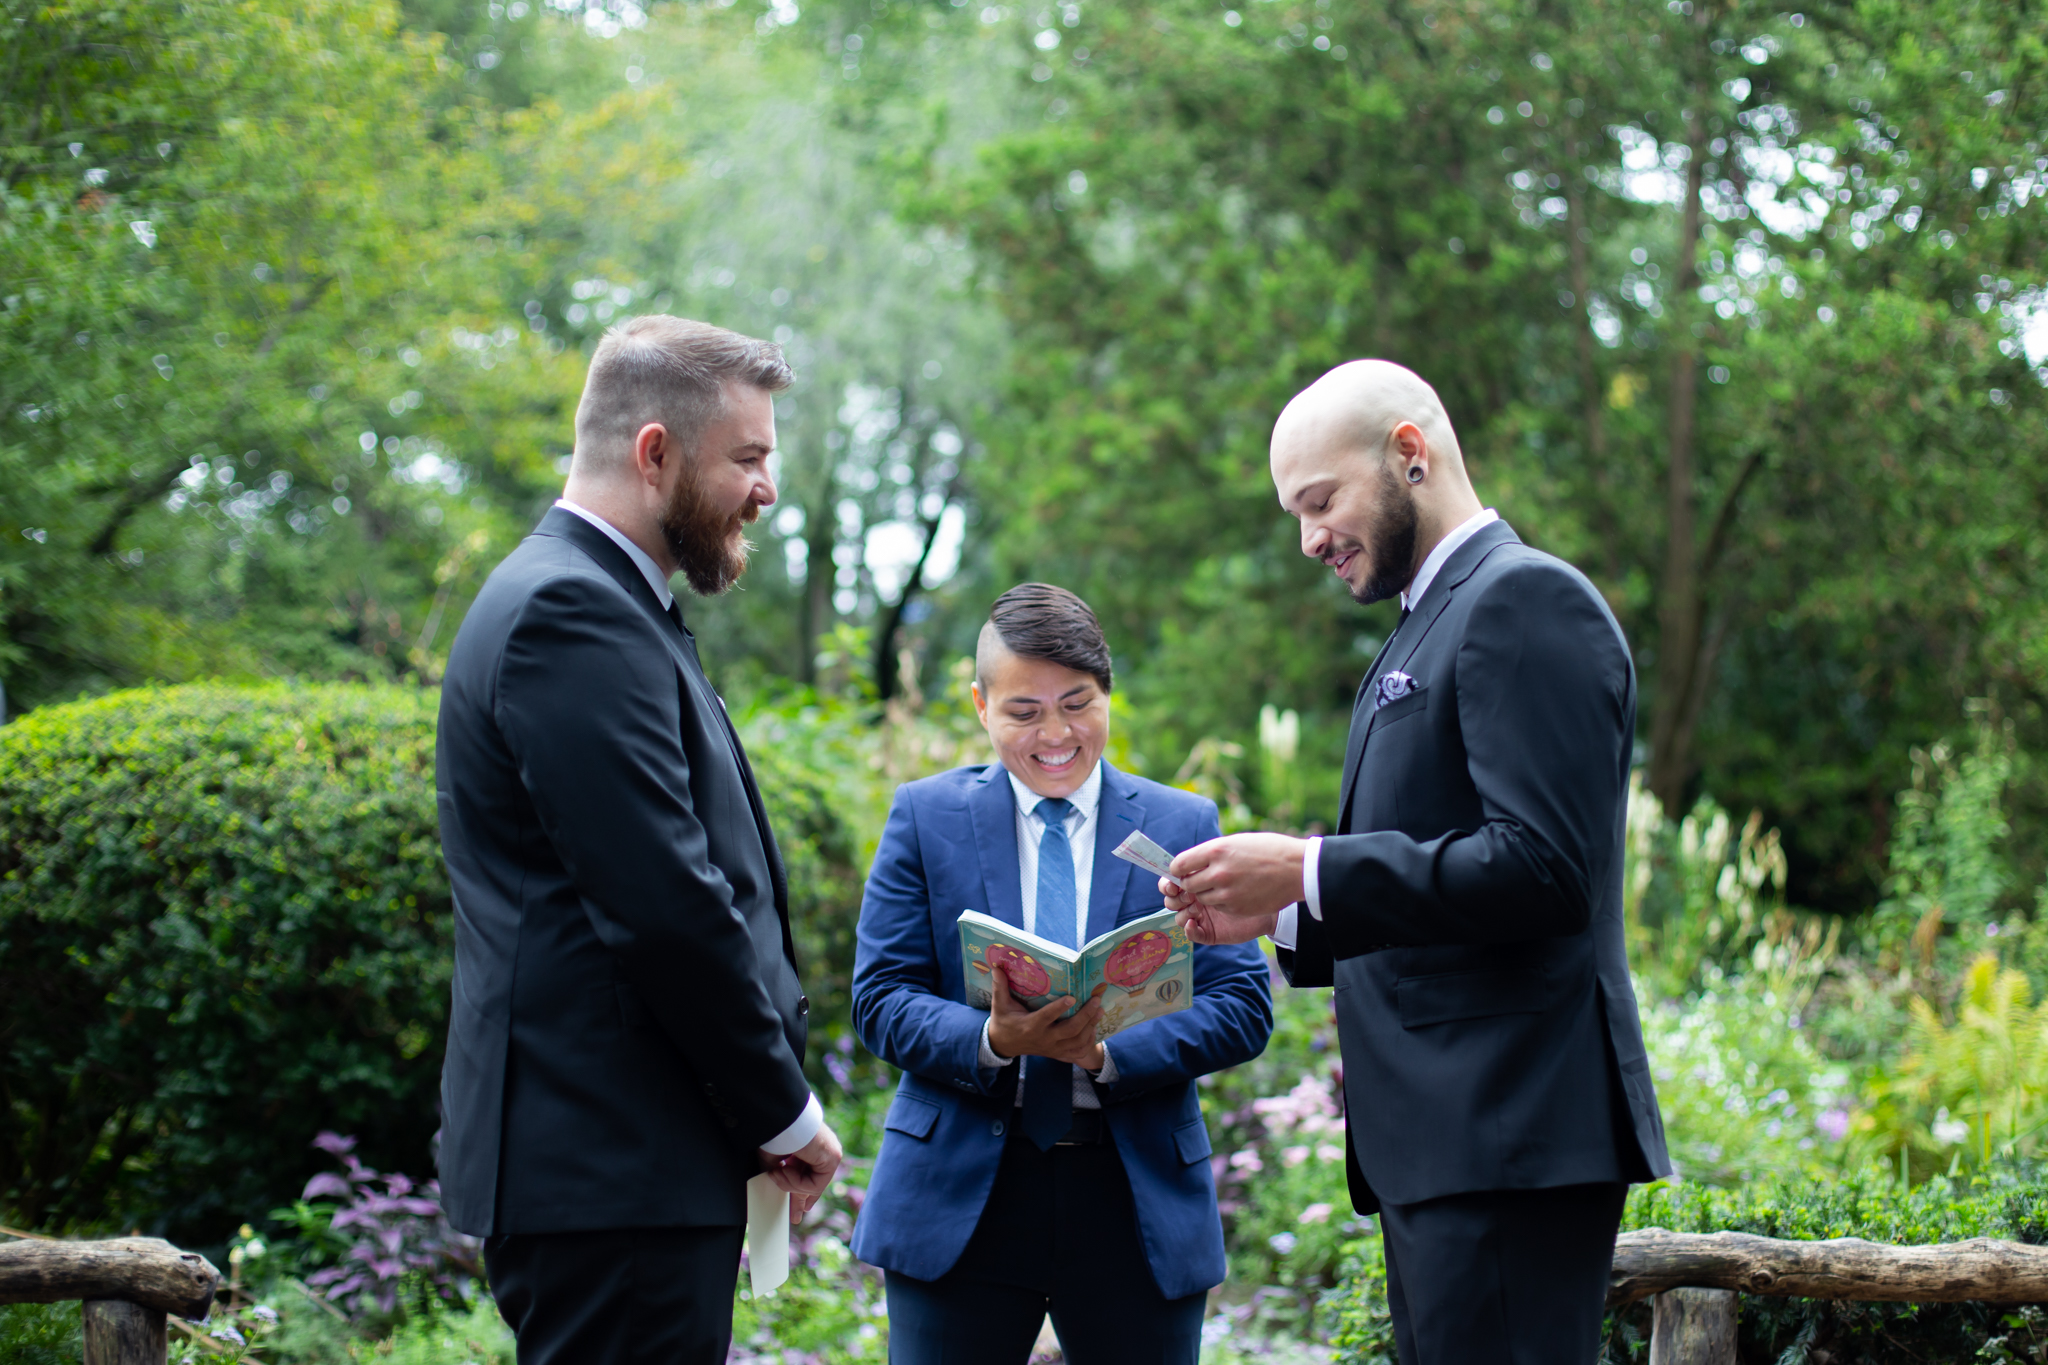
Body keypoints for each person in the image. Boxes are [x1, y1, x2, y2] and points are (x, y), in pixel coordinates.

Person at [1161, 360, 1672, 1364]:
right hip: (1452, 1148)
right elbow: (1444, 862)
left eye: (1319, 502)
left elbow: (1541, 869)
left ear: (1408, 454)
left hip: (1510, 1137)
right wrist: (1279, 910)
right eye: (1293, 513)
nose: (1308, 538)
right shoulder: (1422, 625)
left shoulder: (1520, 601)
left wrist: (1308, 871)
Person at [435, 315, 843, 1364]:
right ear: (653, 451)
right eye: (746, 458)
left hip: (625, 1172)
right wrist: (782, 1112)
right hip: (611, 1174)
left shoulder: (610, 602)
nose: (766, 488)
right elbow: (662, 902)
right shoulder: (568, 611)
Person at [850, 584, 1273, 1365]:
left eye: (1077, 704)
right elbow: (879, 997)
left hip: (1132, 1191)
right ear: (981, 704)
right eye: (1024, 712)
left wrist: (1106, 1051)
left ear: (1109, 693)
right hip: (961, 1193)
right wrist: (989, 1037)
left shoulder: (1182, 824)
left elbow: (1243, 1003)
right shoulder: (924, 816)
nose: (1055, 734)